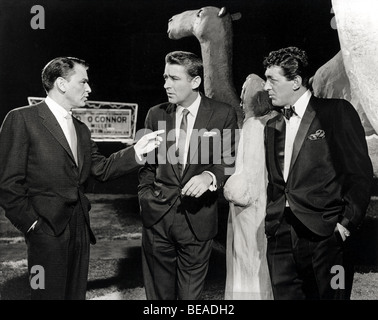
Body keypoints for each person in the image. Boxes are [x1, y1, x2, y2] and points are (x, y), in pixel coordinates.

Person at [0, 56, 163, 300]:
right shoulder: (22, 118)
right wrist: (33, 225)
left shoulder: (80, 128)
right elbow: (8, 183)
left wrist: (137, 150)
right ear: (62, 84)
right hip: (45, 230)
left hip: (80, 228)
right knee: (46, 295)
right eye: (83, 82)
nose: (89, 89)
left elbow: (102, 168)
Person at [262, 46, 373, 300]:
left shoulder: (336, 113)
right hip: (281, 237)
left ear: (296, 82)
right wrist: (272, 225)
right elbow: (277, 183)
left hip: (328, 239)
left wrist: (345, 225)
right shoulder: (273, 125)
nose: (266, 87)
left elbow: (359, 174)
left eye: (272, 80)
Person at [138, 50, 238, 300]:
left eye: (174, 78)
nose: (166, 85)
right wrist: (146, 199)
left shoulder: (223, 113)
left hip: (198, 219)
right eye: (164, 78)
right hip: (157, 220)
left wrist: (208, 177)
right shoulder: (155, 114)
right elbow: (147, 167)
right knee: (158, 299)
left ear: (195, 82)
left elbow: (229, 160)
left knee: (189, 298)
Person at [224, 74, 277, 300]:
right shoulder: (275, 121)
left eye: (245, 89)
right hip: (266, 204)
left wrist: (229, 188)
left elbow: (247, 176)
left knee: (248, 259)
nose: (242, 94)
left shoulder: (254, 125)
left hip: (250, 209)